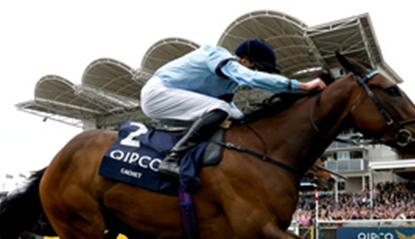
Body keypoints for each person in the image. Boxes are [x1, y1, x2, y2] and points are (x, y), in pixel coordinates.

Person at [140, 39, 327, 178]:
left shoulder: (228, 85)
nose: (255, 72)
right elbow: (250, 78)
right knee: (219, 108)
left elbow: (235, 113)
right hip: (158, 94)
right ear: (244, 61)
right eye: (256, 68)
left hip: (168, 100)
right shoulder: (218, 55)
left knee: (234, 117)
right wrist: (302, 86)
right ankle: (173, 159)